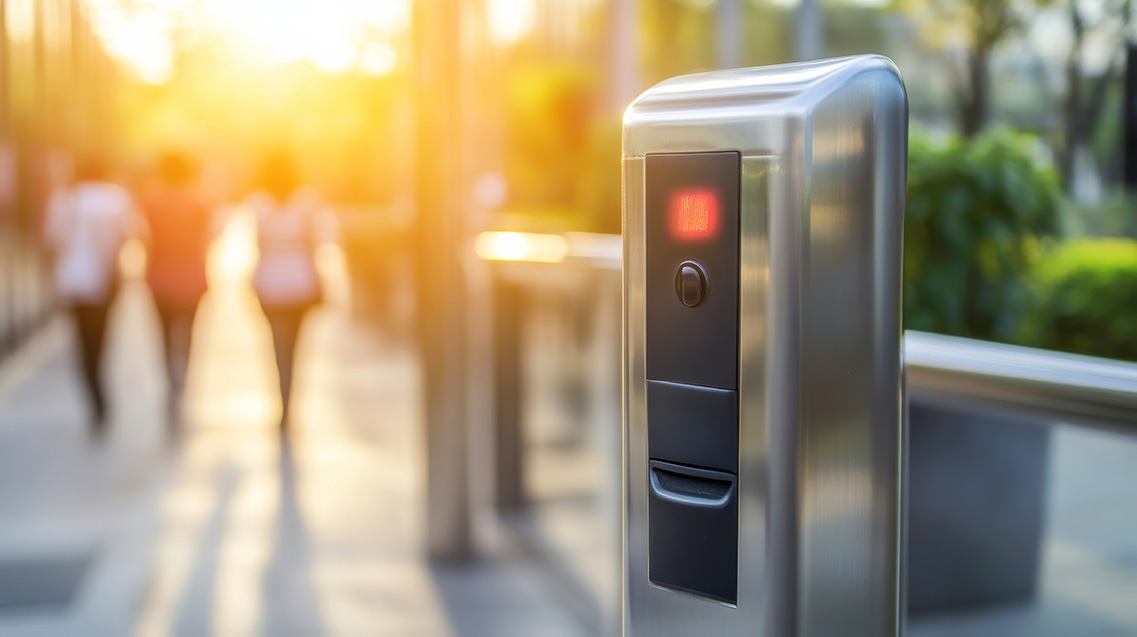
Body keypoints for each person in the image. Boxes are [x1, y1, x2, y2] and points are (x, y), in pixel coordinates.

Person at [45, 155, 140, 436]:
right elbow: (131, 236)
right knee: (103, 338)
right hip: (107, 279)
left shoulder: (64, 201)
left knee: (82, 343)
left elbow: (52, 242)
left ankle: (95, 397)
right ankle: (102, 389)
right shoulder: (116, 199)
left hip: (73, 282)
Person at [248, 151, 322, 431]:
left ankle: (282, 401)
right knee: (296, 347)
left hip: (270, 282)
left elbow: (258, 244)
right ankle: (290, 402)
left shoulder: (259, 204)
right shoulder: (307, 203)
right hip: (300, 281)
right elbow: (314, 245)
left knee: (277, 347)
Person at [138, 151, 212, 430]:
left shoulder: (151, 200)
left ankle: (170, 379)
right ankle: (183, 380)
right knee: (189, 332)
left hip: (160, 276)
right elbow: (209, 238)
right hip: (192, 276)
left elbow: (144, 238)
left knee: (163, 334)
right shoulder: (200, 201)